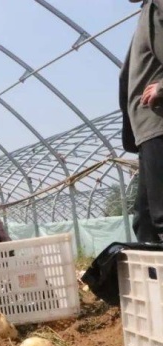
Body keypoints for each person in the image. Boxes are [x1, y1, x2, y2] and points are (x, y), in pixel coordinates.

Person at [120, 0, 163, 243]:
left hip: (158, 122)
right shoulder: (147, 11)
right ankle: (153, 279)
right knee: (145, 219)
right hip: (147, 128)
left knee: (160, 217)